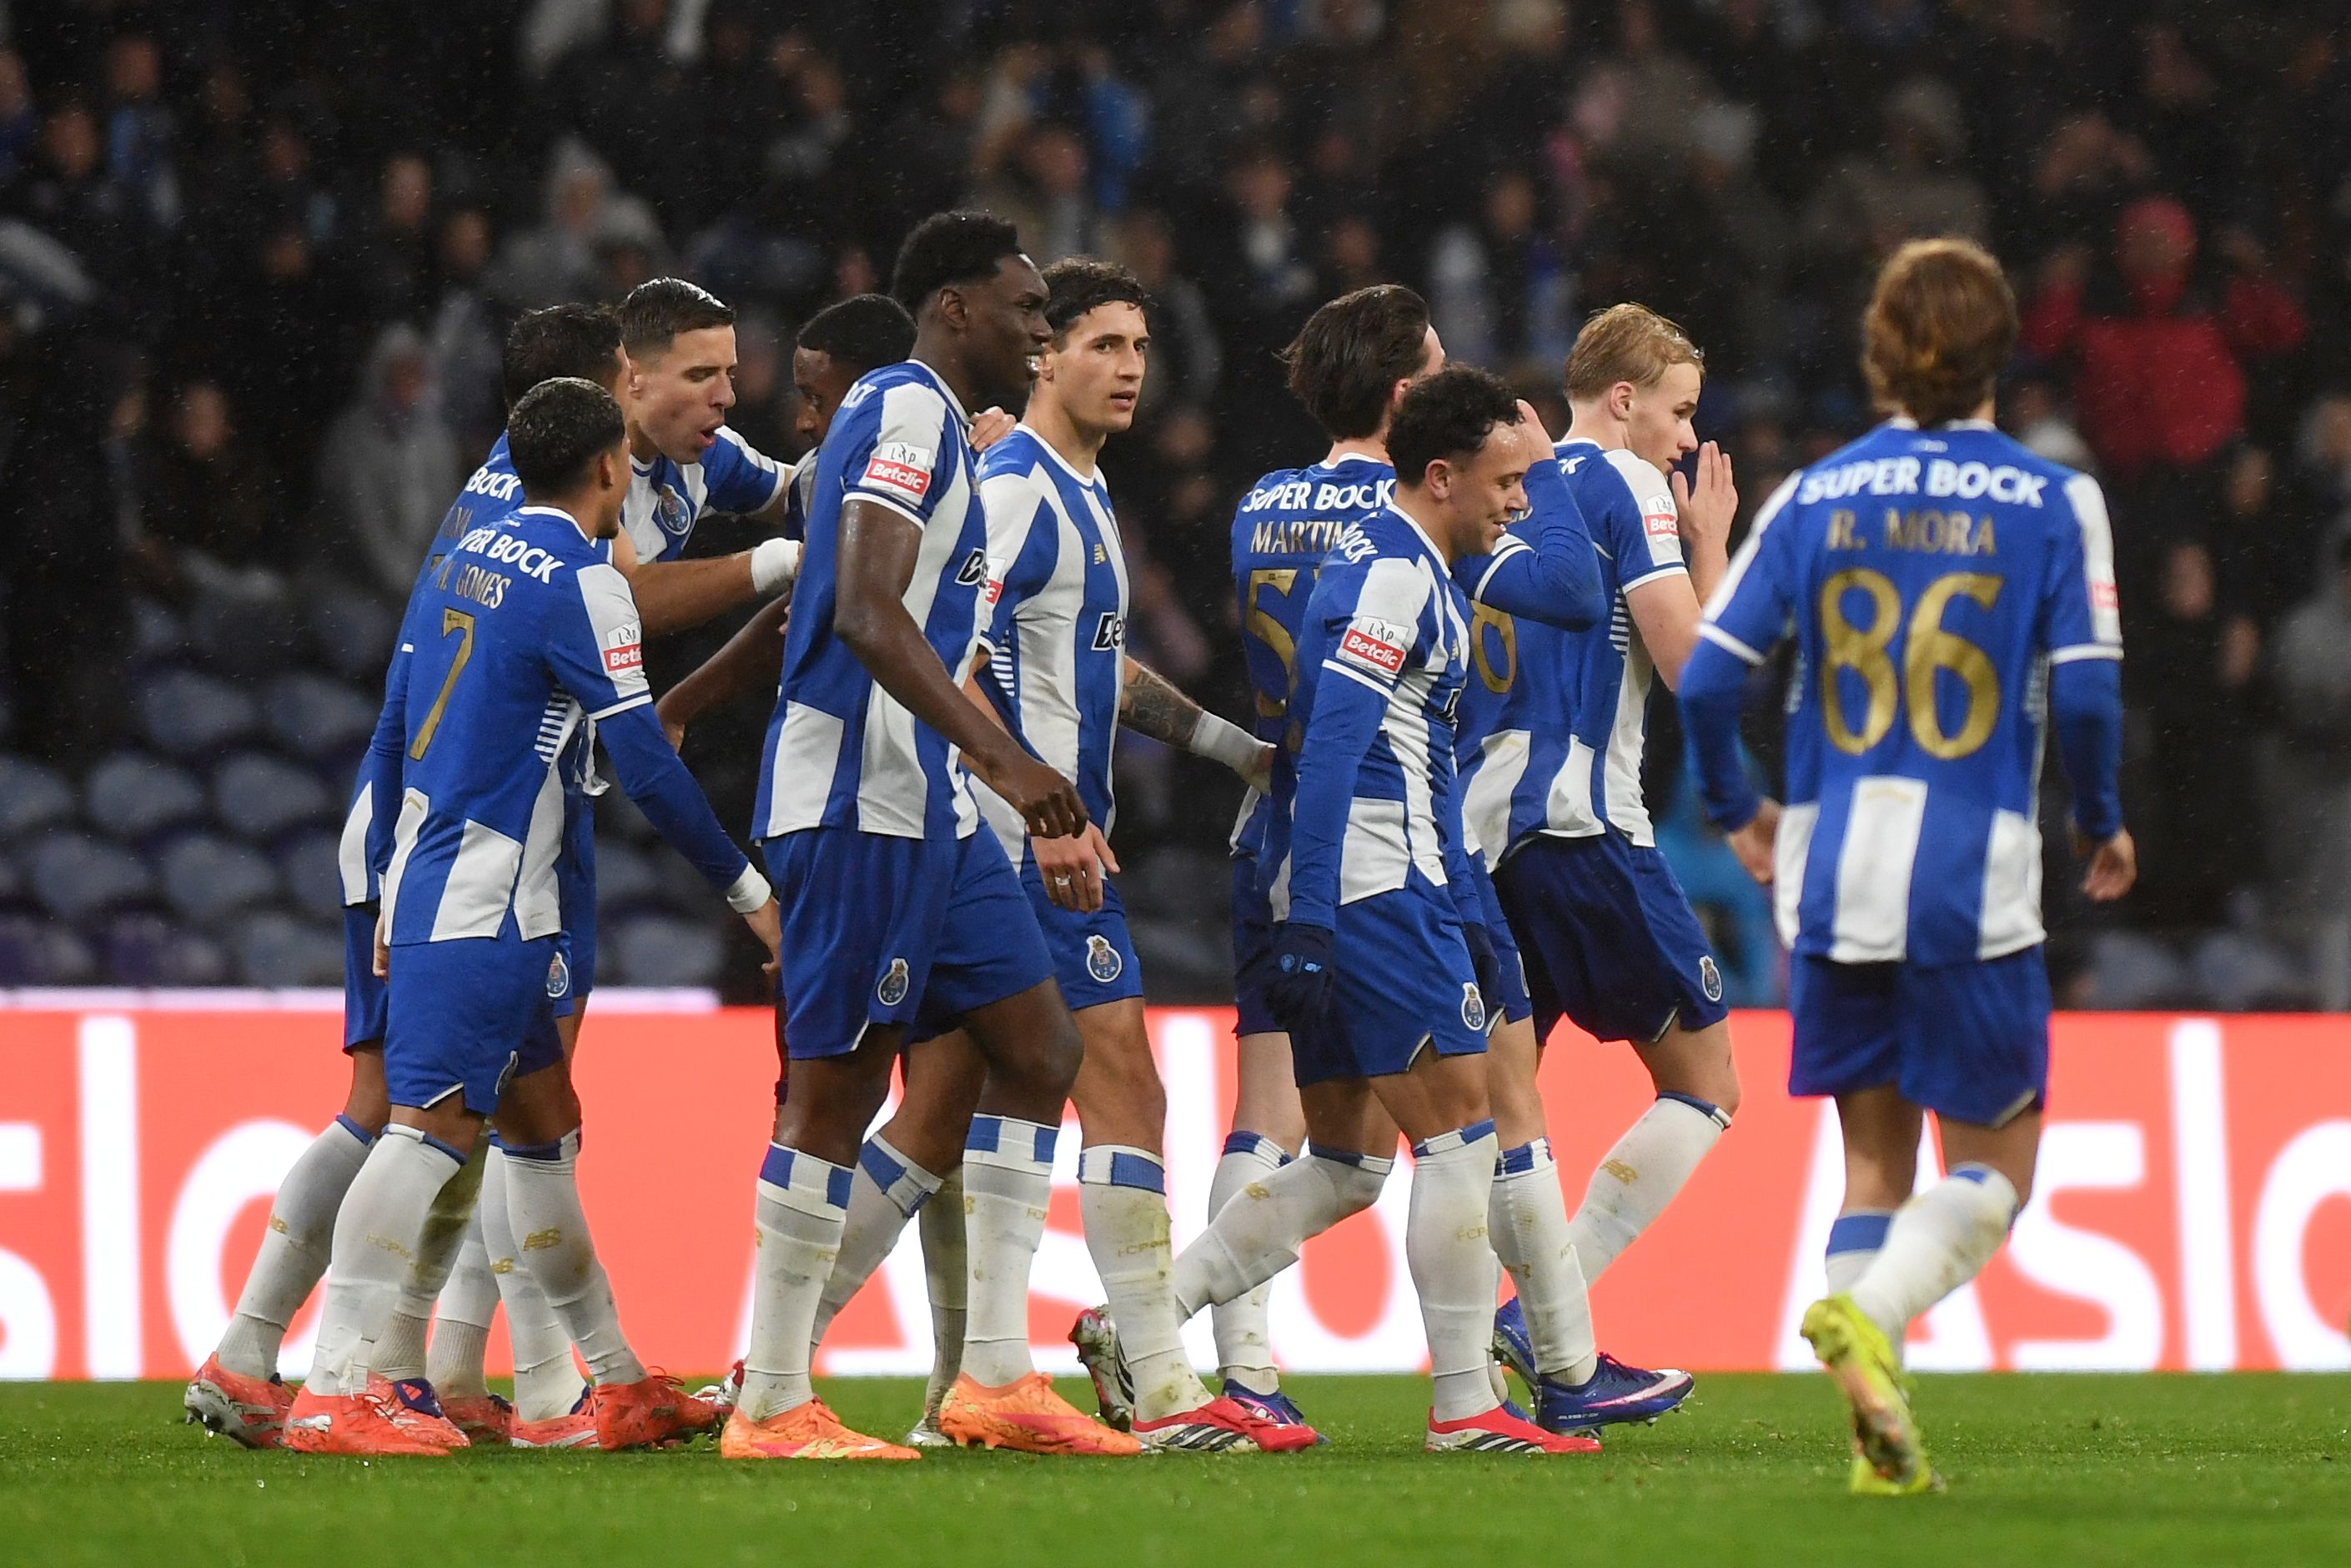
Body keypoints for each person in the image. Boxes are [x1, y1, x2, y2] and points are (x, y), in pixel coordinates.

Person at [1679, 238, 2133, 1494]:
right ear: (2000, 353)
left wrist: (1740, 810)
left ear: (1877, 353)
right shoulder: (2052, 500)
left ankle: (1869, 1434)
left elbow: (1712, 677)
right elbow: (2086, 699)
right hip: (1970, 876)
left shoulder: (1814, 496)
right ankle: (1873, 1322)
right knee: (1992, 1170)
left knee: (1869, 1165)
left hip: (1829, 872)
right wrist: (2096, 818)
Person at [283, 376, 782, 1456]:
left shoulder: (468, 550)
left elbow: (414, 704)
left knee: (540, 1132)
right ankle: (335, 1386)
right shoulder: (581, 582)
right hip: (490, 895)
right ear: (608, 467)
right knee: (430, 1133)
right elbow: (643, 762)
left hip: (427, 865)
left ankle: (608, 1381)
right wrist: (751, 894)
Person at [183, 305, 632, 1450]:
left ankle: (424, 1371)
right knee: (407, 1114)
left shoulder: (494, 506)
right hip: (444, 840)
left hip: (431, 827)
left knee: (496, 1113)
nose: (694, 396)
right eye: (651, 375)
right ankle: (330, 1366)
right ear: (588, 406)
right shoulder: (528, 525)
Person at [726, 211, 1127, 1461]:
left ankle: (992, 1380)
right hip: (860, 799)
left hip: (928, 809)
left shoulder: (940, 428)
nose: (1038, 334)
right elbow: (859, 608)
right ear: (953, 309)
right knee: (836, 1093)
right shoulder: (903, 409)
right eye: (1023, 313)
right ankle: (770, 1400)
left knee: (1038, 1046)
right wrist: (1007, 761)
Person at [1182, 366, 1599, 1455]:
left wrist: (1474, 924)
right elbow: (1328, 753)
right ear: (1441, 475)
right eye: (1507, 482)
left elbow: (1418, 763)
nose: (1519, 500)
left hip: (1383, 883)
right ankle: (1465, 1405)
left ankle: (1137, 1327)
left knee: (1347, 1163)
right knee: (1460, 1135)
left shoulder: (1415, 565)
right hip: (1368, 887)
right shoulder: (1389, 576)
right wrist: (1314, 915)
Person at [957, 257, 1286, 1450]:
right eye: (1102, 344)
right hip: (1020, 846)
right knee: (1121, 1088)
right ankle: (1157, 1380)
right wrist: (1041, 811)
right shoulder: (1012, 487)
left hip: (1034, 839)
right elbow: (953, 652)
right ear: (1042, 355)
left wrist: (1230, 751)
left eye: (1139, 348)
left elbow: (1102, 677)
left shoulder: (1082, 492)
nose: (1129, 367)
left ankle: (981, 1385)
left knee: (988, 1101)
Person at [1480, 305, 1744, 1318]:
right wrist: (1708, 547)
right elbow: (1692, 668)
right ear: (1622, 399)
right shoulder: (1624, 483)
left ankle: (1495, 1367)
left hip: (1482, 833)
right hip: (1582, 827)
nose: (1684, 438)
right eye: (1678, 411)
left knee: (1494, 1118)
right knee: (1707, 1079)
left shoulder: (1507, 492)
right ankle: (1548, 1316)